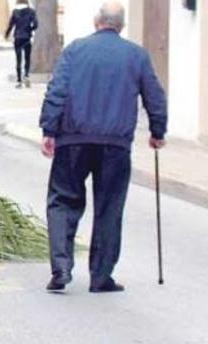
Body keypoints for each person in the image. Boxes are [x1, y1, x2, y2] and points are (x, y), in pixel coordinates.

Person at [38, 1, 166, 294]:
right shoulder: (137, 55)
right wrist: (157, 132)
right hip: (115, 145)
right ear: (120, 25)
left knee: (62, 201)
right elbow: (154, 96)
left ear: (97, 21)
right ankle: (100, 276)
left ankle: (61, 268)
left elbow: (57, 90)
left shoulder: (75, 50)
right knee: (109, 208)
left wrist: (49, 129)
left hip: (73, 140)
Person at [4, 0, 38, 88]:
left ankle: (19, 81)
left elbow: (11, 25)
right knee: (27, 58)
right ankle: (26, 75)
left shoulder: (15, 12)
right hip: (27, 37)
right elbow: (36, 24)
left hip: (17, 38)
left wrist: (6, 35)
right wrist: (30, 29)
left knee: (18, 59)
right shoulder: (31, 11)